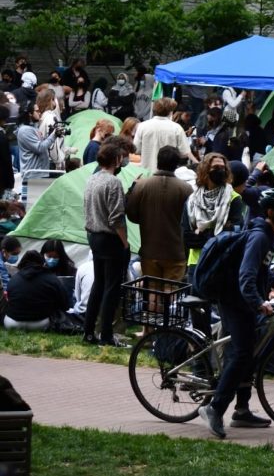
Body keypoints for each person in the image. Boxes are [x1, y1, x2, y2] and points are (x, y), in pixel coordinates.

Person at [197, 188, 274, 439]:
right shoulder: (260, 237)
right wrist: (258, 302)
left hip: (243, 301)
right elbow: (246, 276)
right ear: (271, 212)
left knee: (249, 352)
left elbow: (261, 270)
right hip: (234, 300)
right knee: (241, 353)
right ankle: (215, 409)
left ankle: (241, 411)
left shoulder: (267, 236)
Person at [82, 143, 131, 347]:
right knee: (112, 287)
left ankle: (88, 331)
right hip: (110, 239)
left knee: (99, 284)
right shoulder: (113, 182)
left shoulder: (91, 179)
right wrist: (125, 242)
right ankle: (106, 335)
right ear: (116, 160)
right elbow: (116, 218)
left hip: (93, 236)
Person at [126, 146, 193, 285]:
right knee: (172, 293)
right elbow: (190, 221)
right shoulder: (186, 189)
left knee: (152, 293)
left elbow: (131, 215)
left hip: (149, 250)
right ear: (176, 164)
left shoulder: (142, 185)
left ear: (157, 162)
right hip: (176, 251)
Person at [182, 154, 247, 280]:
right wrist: (218, 232)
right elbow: (187, 238)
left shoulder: (233, 199)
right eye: (216, 167)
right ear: (205, 170)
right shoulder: (192, 201)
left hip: (222, 264)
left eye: (223, 168)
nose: (220, 171)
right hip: (196, 264)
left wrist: (201, 233)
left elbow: (234, 236)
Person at [3, 250, 71, 330]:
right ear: (42, 263)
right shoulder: (52, 279)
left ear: (22, 263)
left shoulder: (14, 279)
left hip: (11, 323)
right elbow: (65, 305)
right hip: (40, 324)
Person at [134, 97, 197, 171]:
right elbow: (184, 153)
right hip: (168, 172)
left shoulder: (142, 126)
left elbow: (136, 150)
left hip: (147, 171)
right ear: (170, 111)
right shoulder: (176, 128)